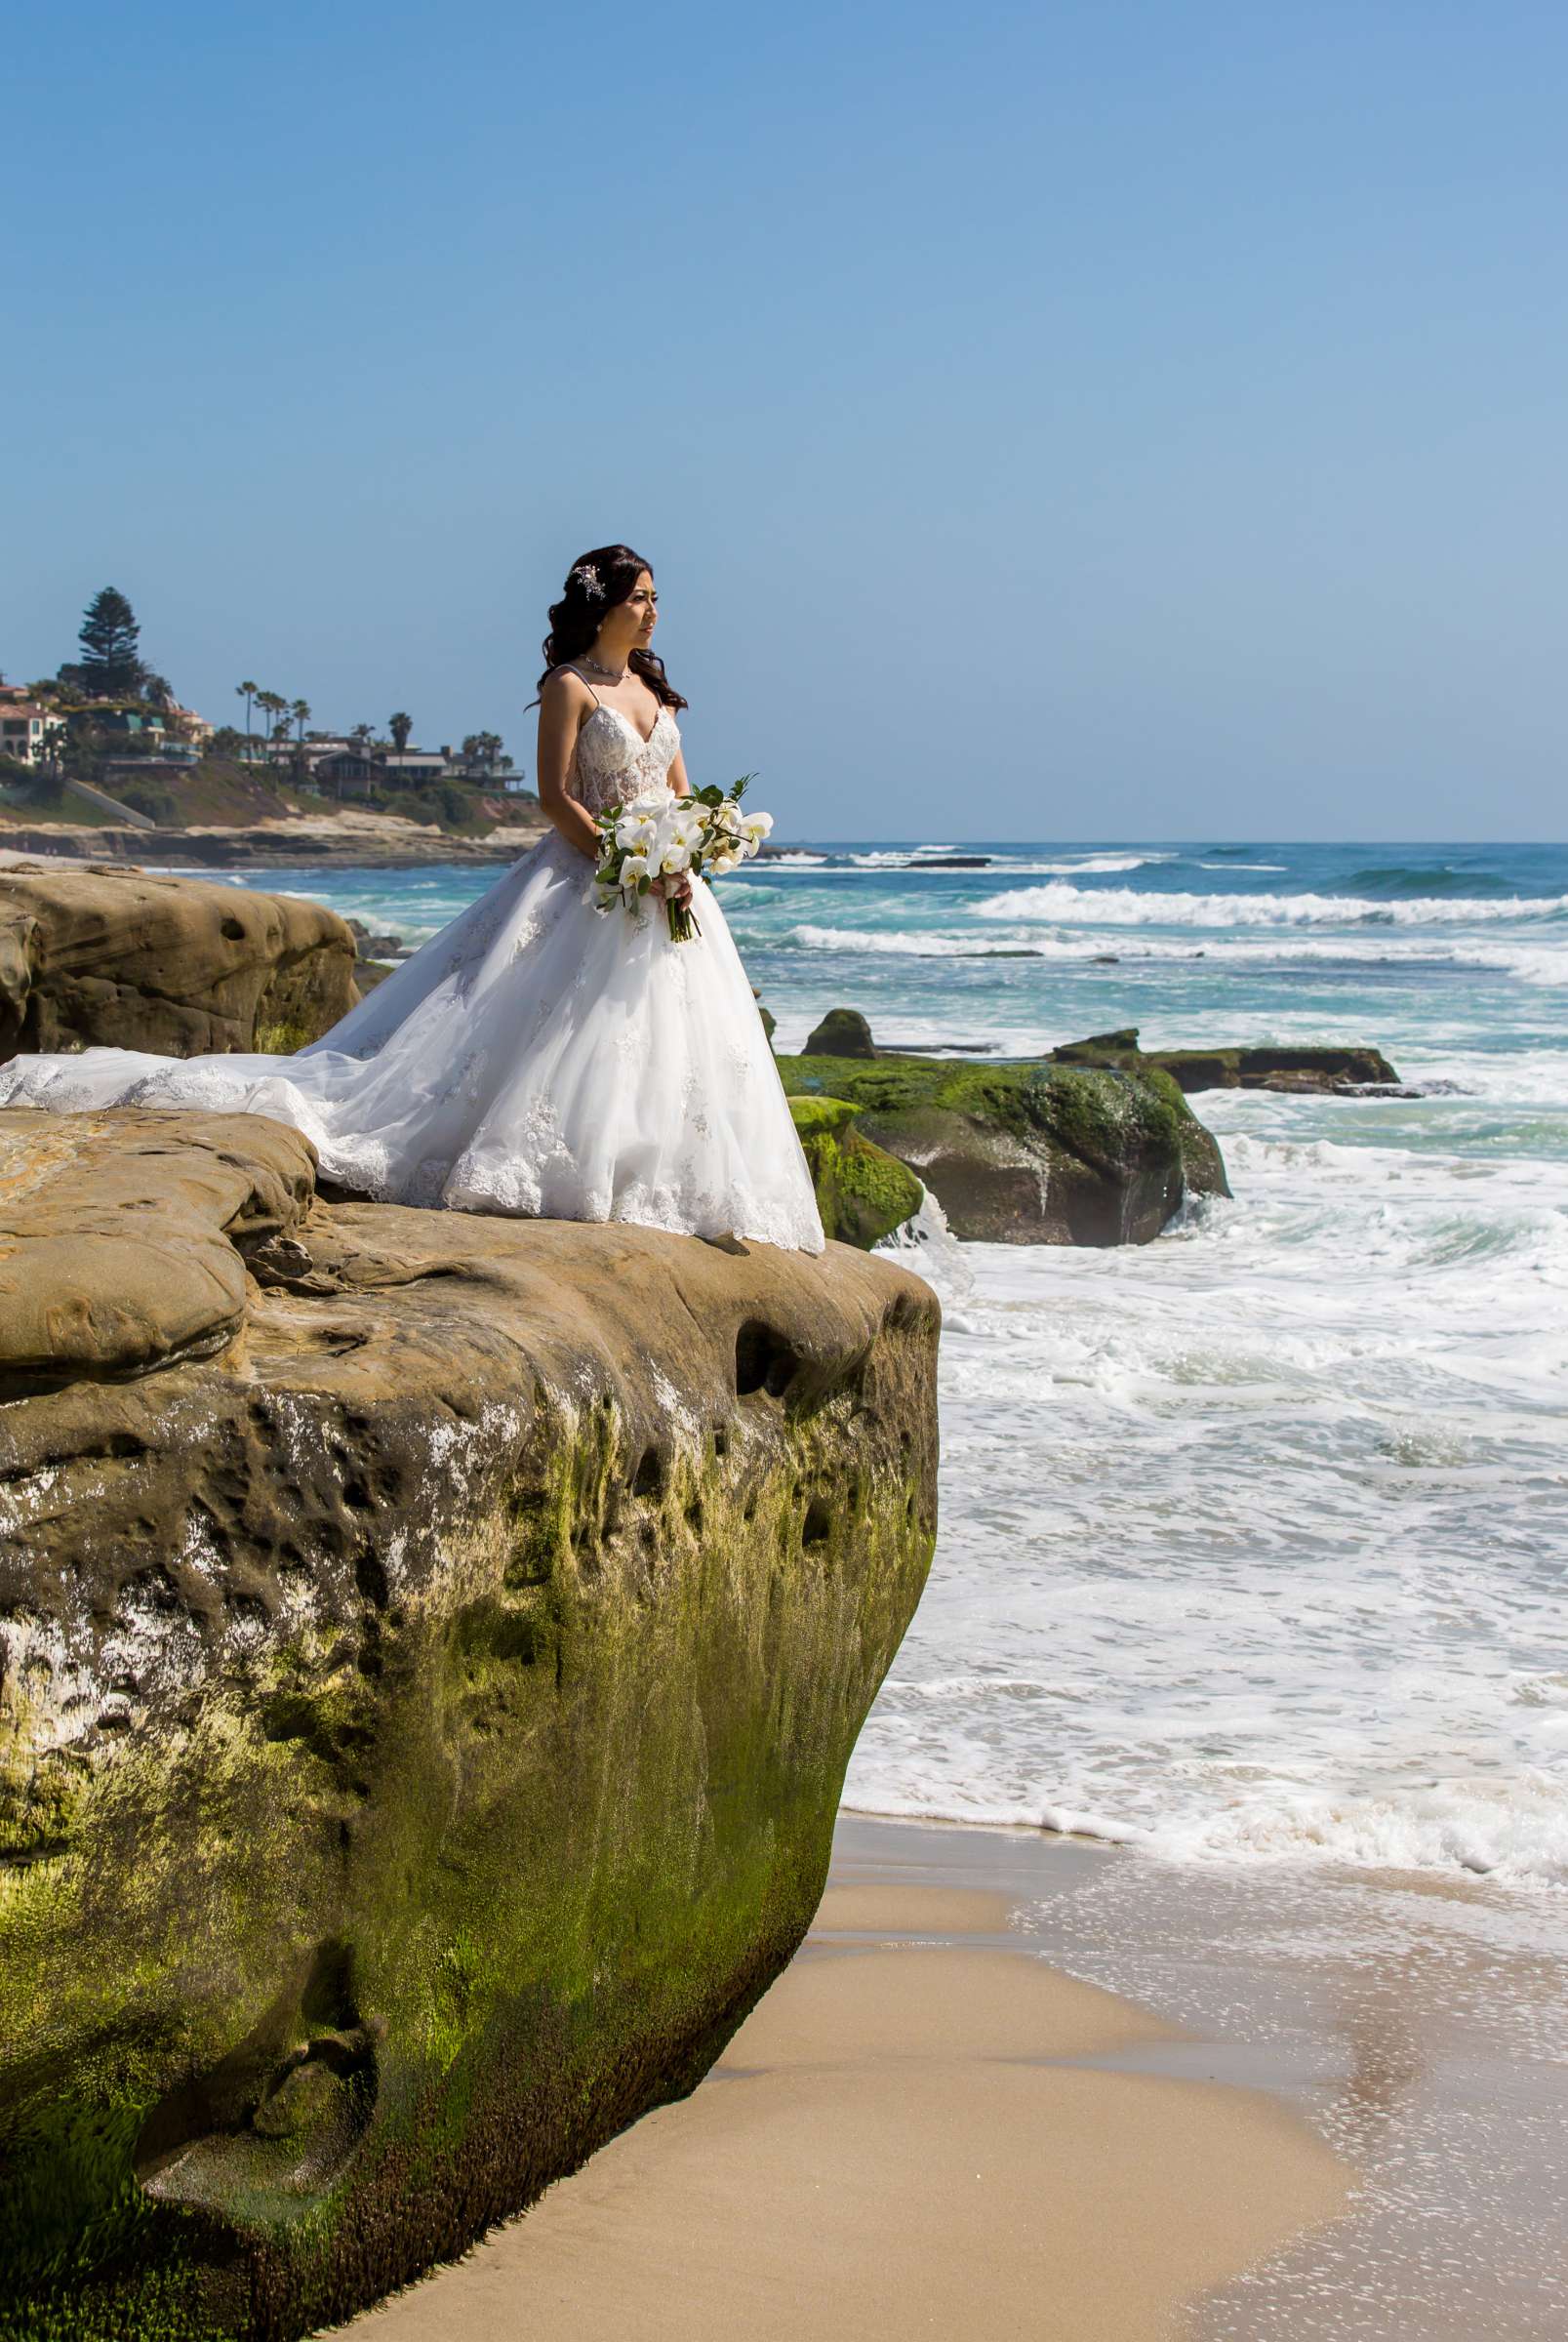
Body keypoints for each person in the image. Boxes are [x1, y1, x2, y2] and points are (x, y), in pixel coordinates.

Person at [0, 545, 826, 1255]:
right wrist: (623, 860)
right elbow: (553, 797)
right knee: (562, 1032)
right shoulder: (568, 686)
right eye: (640, 597)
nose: (654, 612)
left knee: (667, 1039)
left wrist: (689, 849)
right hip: (593, 880)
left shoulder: (654, 686)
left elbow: (680, 790)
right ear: (602, 605)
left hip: (664, 886)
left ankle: (660, 1171)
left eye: (654, 598)